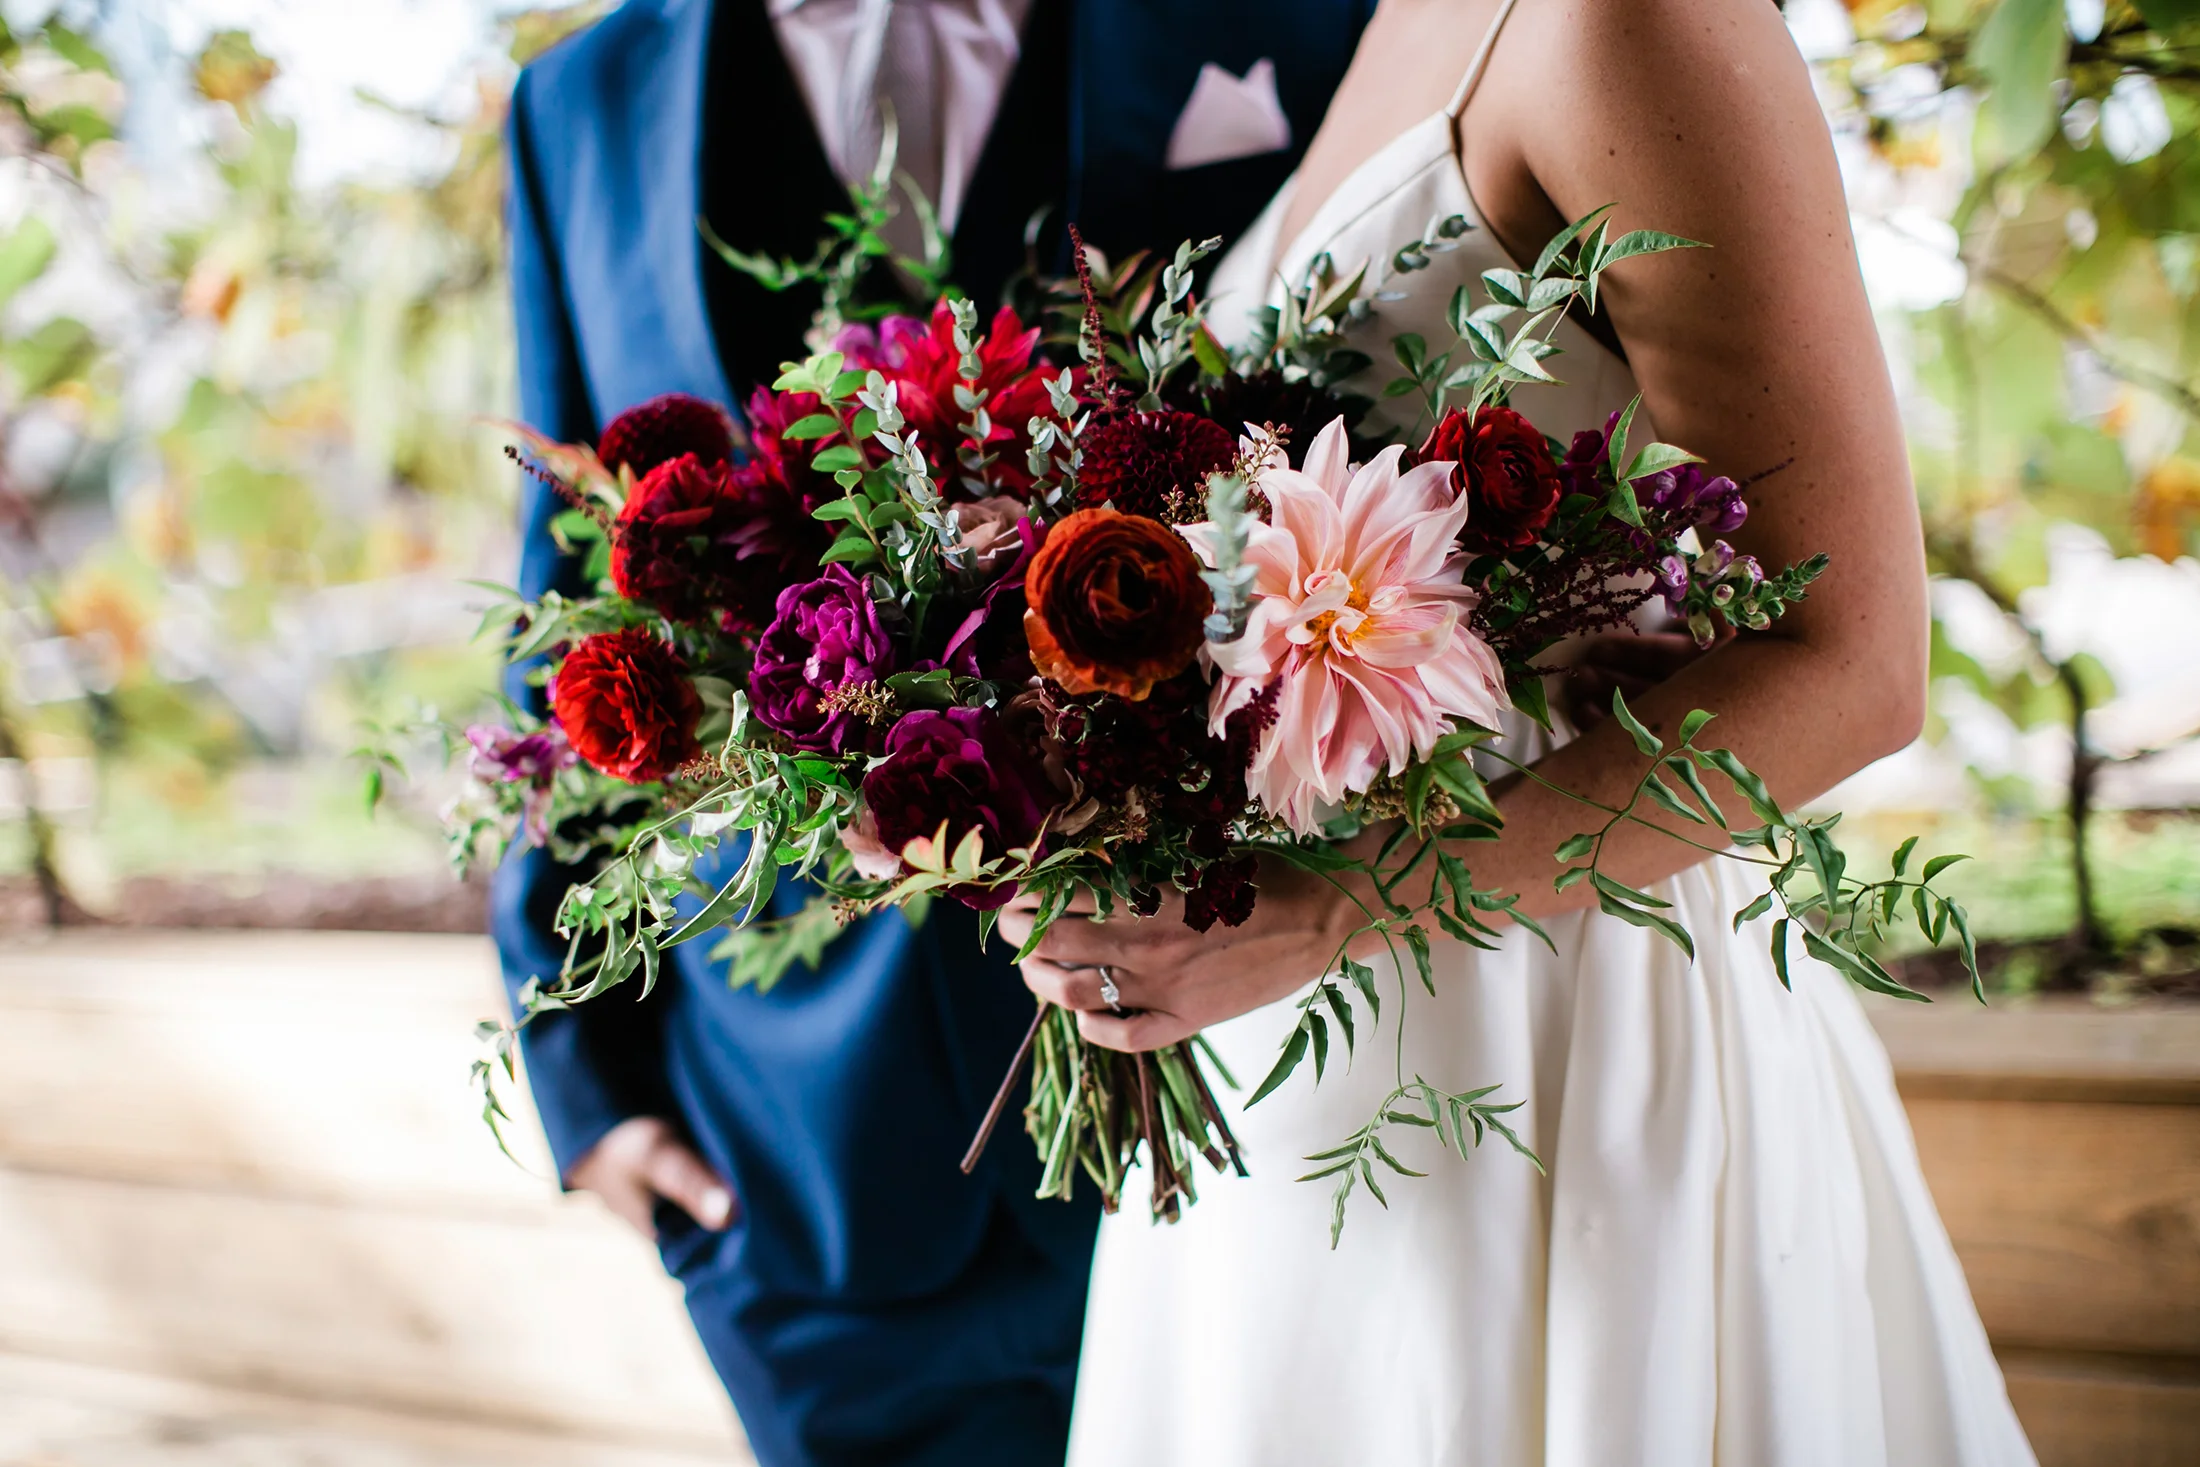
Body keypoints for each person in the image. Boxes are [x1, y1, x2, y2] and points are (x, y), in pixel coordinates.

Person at [1002, 1, 2042, 1462]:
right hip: (1278, 1028)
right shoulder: (1377, 20)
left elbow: (1855, 662)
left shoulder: (1637, 21)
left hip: (1538, 1010)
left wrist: (1337, 902)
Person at [494, 2, 1382, 1464]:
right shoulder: (578, 106)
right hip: (793, 1164)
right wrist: (583, 1077)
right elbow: (565, 605)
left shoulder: (1309, 16)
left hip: (1262, 1117)